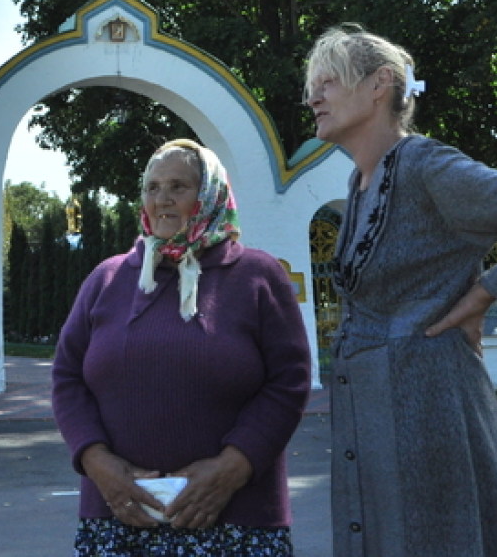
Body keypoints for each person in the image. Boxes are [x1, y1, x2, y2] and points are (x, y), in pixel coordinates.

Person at [304, 25, 497, 557]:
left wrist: (483, 297)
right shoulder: (361, 183)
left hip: (429, 414)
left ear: (380, 84)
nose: (312, 97)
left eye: (328, 82)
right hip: (374, 421)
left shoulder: (429, 167)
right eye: (311, 86)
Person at [52, 139, 312, 557]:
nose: (162, 200)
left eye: (178, 187)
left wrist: (233, 467)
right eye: (152, 188)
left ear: (209, 194)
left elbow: (290, 381)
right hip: (119, 519)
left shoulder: (257, 276)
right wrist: (96, 462)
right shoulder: (107, 279)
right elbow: (67, 377)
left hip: (234, 519)